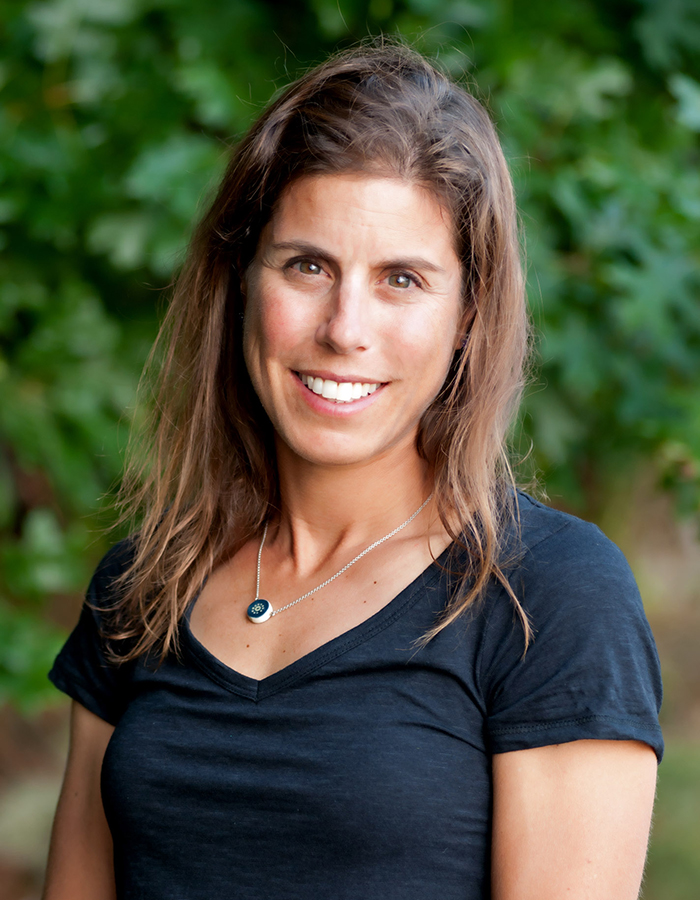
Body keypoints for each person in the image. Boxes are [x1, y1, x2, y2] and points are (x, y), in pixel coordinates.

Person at [42, 42, 663, 900]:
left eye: (402, 279)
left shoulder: (550, 596)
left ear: (466, 319)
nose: (344, 328)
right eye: (308, 265)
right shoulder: (143, 582)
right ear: (243, 279)